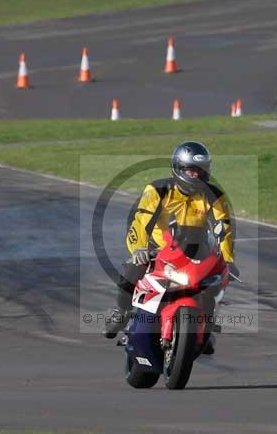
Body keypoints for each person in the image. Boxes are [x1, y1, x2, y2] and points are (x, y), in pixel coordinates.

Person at [102, 141, 237, 340]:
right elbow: (141, 221)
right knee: (132, 270)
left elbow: (224, 229)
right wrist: (139, 249)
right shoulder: (157, 189)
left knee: (216, 279)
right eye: (191, 171)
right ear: (178, 168)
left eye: (200, 171)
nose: (196, 175)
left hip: (196, 250)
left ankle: (206, 322)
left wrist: (227, 260)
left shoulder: (214, 195)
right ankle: (122, 311)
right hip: (158, 248)